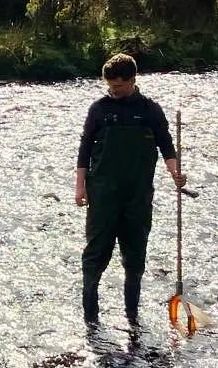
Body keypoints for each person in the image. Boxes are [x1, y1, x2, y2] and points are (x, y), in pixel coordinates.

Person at [74, 53, 183, 325]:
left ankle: (132, 316)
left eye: (119, 86)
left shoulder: (150, 111)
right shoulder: (98, 109)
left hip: (138, 195)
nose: (114, 90)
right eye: (110, 86)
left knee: (135, 256)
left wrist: (175, 172)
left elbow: (166, 145)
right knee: (96, 254)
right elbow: (85, 149)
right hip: (102, 194)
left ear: (133, 80)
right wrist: (80, 188)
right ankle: (90, 316)